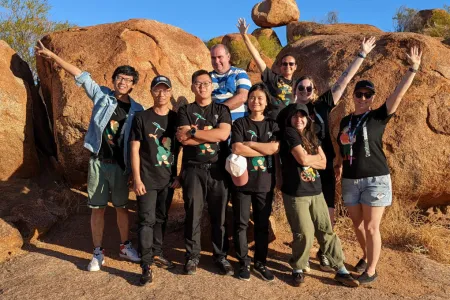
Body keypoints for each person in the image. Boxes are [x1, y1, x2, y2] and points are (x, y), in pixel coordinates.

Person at [35, 41, 142, 271]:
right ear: (113, 80)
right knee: (98, 208)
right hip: (98, 163)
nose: (122, 82)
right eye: (119, 78)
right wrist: (53, 56)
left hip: (121, 166)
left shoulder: (137, 110)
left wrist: (137, 171)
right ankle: (97, 252)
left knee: (122, 207)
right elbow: (80, 75)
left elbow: (141, 140)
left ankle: (125, 246)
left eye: (127, 80)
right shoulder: (101, 95)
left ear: (133, 85)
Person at [276, 37, 376, 271]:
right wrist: (278, 174)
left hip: (325, 167)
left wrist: (361, 55)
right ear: (295, 90)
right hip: (298, 171)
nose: (305, 91)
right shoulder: (288, 113)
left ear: (314, 91)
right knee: (303, 221)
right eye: (301, 88)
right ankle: (302, 258)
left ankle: (324, 253)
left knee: (326, 217)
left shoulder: (321, 105)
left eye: (309, 88)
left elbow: (344, 81)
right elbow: (279, 143)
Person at [337, 47, 422, 285]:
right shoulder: (345, 121)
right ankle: (367, 256)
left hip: (376, 178)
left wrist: (412, 69)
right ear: (353, 96)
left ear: (373, 98)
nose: (363, 98)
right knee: (357, 224)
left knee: (372, 226)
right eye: (359, 94)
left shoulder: (378, 116)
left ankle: (371, 270)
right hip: (351, 179)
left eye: (367, 95)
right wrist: (338, 164)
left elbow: (398, 94)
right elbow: (342, 146)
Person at [280, 103, 359, 288]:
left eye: (302, 116)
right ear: (290, 119)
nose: (298, 119)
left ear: (307, 119)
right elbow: (303, 159)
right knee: (304, 233)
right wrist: (313, 159)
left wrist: (312, 159)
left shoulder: (311, 136)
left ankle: (340, 269)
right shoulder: (290, 134)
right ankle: (298, 268)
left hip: (316, 191)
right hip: (296, 192)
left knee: (326, 230)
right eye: (295, 116)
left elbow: (325, 164)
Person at [176, 70, 233, 276]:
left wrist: (193, 132)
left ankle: (220, 256)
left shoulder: (221, 109)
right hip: (193, 169)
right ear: (192, 87)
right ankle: (192, 256)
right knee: (193, 213)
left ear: (212, 86)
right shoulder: (185, 110)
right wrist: (209, 135)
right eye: (198, 83)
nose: (203, 87)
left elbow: (223, 134)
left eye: (207, 83)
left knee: (219, 214)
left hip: (217, 170)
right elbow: (183, 139)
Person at [130, 75, 181, 286]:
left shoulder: (177, 119)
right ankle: (146, 263)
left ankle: (157, 252)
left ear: (170, 92)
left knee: (161, 218)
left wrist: (179, 175)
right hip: (147, 179)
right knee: (146, 220)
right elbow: (134, 149)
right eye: (157, 90)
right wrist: (137, 179)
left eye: (165, 90)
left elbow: (184, 147)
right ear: (151, 92)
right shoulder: (141, 118)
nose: (161, 94)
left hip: (168, 179)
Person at [229, 83, 279, 281]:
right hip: (242, 182)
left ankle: (260, 262)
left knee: (261, 224)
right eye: (252, 98)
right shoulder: (240, 124)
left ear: (266, 102)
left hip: (265, 183)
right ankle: (243, 262)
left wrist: (249, 144)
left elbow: (275, 148)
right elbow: (237, 149)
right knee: (241, 223)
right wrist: (262, 148)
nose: (255, 101)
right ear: (247, 101)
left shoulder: (272, 125)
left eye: (260, 98)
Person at [237, 18, 297, 120]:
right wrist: (244, 36)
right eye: (284, 64)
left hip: (290, 124)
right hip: (272, 123)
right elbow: (257, 57)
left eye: (291, 64)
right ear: (280, 66)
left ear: (295, 67)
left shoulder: (299, 84)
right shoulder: (273, 78)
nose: (288, 66)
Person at [210, 44, 251, 122]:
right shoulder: (207, 77)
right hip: (213, 123)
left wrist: (217, 111)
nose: (216, 61)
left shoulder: (239, 73)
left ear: (228, 56)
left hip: (237, 124)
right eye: (213, 58)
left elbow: (243, 96)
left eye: (220, 57)